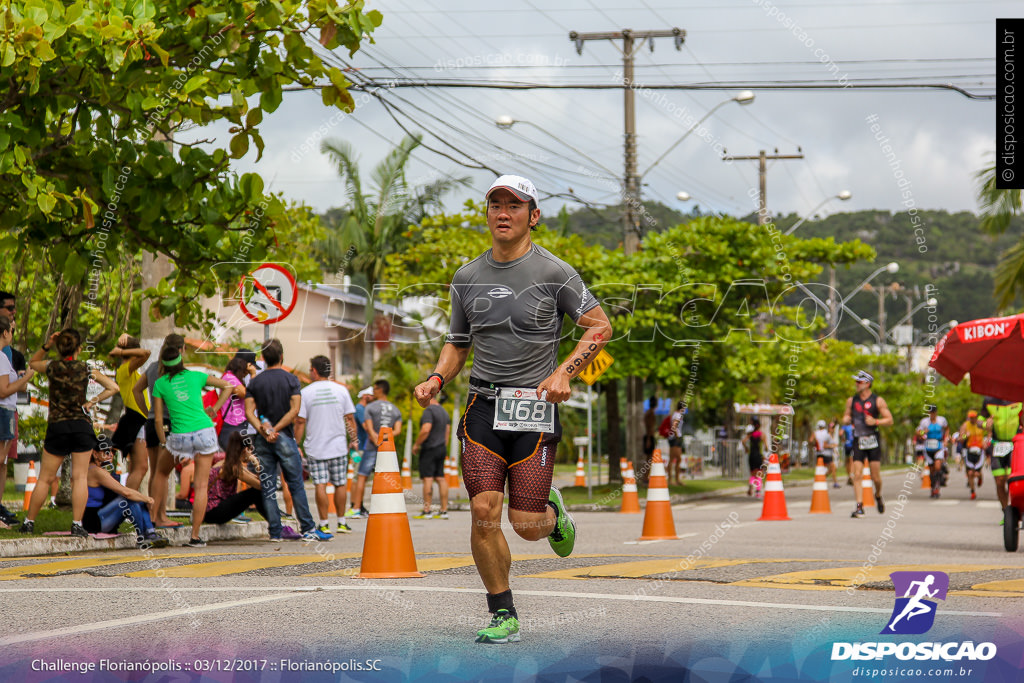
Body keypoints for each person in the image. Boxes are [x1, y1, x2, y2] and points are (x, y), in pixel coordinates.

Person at [412, 174, 612, 644]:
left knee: (527, 527)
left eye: (514, 205)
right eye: (495, 205)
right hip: (483, 404)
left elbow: (599, 326)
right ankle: (503, 613)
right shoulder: (466, 277)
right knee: (484, 510)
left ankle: (551, 511)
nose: (503, 213)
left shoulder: (554, 273)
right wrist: (437, 378)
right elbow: (457, 343)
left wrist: (565, 371)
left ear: (533, 216)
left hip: (536, 409)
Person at [21, 329, 120, 536]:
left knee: (45, 478)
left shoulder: (52, 366)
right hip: (81, 426)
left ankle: (29, 522)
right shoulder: (85, 368)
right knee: (80, 477)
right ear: (79, 348)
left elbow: (32, 363)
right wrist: (91, 401)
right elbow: (113, 387)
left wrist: (47, 345)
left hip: (58, 426)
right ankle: (76, 524)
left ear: (59, 347)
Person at [244, 339, 331, 542]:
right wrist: (277, 429)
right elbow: (294, 410)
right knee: (295, 484)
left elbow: (249, 412)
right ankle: (308, 528)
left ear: (263, 358)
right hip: (285, 436)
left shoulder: (256, 381)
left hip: (263, 438)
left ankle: (275, 531)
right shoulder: (291, 380)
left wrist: (264, 430)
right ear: (282, 356)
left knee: (268, 485)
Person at [151, 346, 233, 547]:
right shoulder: (197, 376)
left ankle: (150, 526)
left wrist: (163, 441)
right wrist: (214, 409)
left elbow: (158, 419)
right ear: (181, 358)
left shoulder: (160, 384)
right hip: (205, 432)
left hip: (179, 437)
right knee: (202, 485)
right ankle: (195, 536)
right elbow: (228, 386)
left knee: (161, 473)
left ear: (163, 363)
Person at [294, 355, 358, 535]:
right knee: (340, 484)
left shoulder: (306, 393)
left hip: (315, 447)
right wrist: (353, 440)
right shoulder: (341, 390)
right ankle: (342, 522)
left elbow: (300, 421)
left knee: (320, 484)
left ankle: (323, 523)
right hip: (338, 446)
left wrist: (295, 443)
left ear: (314, 370)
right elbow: (350, 418)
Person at [132, 333, 185, 517]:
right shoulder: (176, 371)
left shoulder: (154, 367)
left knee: (156, 472)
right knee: (162, 473)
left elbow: (136, 389)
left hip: (152, 423)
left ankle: (158, 515)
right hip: (169, 423)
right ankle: (156, 516)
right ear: (180, 350)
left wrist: (146, 411)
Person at [83, 447, 167, 548]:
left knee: (137, 500)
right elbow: (125, 492)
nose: (110, 455)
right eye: (106, 451)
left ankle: (150, 533)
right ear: (95, 454)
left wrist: (142, 498)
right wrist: (147, 499)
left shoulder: (103, 470)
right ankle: (144, 536)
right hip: (93, 522)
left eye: (113, 452)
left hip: (103, 517)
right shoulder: (95, 471)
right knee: (128, 500)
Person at [348, 379, 402, 519]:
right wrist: (386, 437)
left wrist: (376, 438)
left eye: (375, 389)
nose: (373, 392)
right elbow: (397, 430)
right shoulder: (395, 409)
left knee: (361, 476)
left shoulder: (370, 408)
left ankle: (356, 508)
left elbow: (369, 429)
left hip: (371, 447)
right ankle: (389, 507)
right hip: (388, 450)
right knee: (388, 479)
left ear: (379, 390)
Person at [842, 370, 893, 517]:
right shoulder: (851, 401)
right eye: (856, 382)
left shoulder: (878, 401)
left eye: (859, 382)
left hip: (873, 440)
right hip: (858, 439)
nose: (856, 385)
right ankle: (859, 506)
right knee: (857, 474)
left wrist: (876, 421)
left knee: (875, 477)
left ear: (868, 383)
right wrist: (846, 419)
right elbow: (846, 415)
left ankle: (878, 495)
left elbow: (890, 420)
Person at [0, 316, 34, 527]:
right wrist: (28, 376)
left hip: (6, 410)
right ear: (5, 332)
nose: (12, 335)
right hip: (4, 411)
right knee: (0, 460)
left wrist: (21, 381)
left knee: (2, 463)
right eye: (11, 331)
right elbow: (4, 391)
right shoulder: (2, 358)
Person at [108, 334, 151, 491]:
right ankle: (127, 504)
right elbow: (146, 354)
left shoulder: (129, 372)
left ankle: (127, 504)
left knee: (136, 468)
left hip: (137, 421)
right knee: (141, 468)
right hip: (136, 420)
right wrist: (121, 352)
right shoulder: (126, 370)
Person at [203, 432, 270, 525]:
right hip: (213, 512)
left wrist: (256, 465)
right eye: (250, 449)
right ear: (245, 450)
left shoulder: (229, 463)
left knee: (256, 492)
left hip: (210, 512)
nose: (251, 453)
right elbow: (261, 486)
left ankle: (275, 523)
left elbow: (257, 481)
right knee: (256, 493)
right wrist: (257, 464)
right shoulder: (234, 468)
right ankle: (276, 525)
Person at [981, 396, 1023, 522]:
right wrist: (985, 424)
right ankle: (1007, 513)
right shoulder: (989, 400)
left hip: (1015, 444)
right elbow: (980, 420)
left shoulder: (1019, 397)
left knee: (1014, 480)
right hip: (997, 444)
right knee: (999, 481)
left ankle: (1016, 508)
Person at [412, 392, 452, 519]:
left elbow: (426, 429)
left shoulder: (429, 411)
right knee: (440, 477)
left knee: (428, 478)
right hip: (441, 448)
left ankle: (427, 510)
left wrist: (417, 444)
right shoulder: (444, 411)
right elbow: (447, 431)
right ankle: (444, 510)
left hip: (429, 448)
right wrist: (443, 446)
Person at [218, 351, 258, 451]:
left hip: (239, 425)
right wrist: (253, 375)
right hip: (230, 426)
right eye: (247, 370)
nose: (247, 373)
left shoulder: (237, 379)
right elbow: (247, 394)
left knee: (240, 459)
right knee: (233, 458)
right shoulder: (229, 378)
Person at [917, 405, 950, 499]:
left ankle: (937, 487)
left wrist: (946, 439)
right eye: (930, 412)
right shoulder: (924, 422)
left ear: (936, 412)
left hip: (939, 446)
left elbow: (947, 429)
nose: (931, 414)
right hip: (928, 448)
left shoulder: (942, 420)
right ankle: (932, 487)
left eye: (933, 412)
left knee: (938, 467)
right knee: (931, 470)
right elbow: (918, 433)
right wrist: (924, 432)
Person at [958, 410, 987, 500]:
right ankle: (973, 492)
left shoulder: (981, 424)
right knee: (970, 473)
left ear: (976, 417)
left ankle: (980, 478)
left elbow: (989, 432)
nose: (972, 419)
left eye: (974, 417)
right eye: (971, 417)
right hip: (969, 450)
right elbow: (960, 438)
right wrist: (965, 436)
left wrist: (986, 441)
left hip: (979, 451)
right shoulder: (965, 425)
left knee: (977, 473)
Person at [810, 419, 839, 487]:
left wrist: (816, 442)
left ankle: (821, 479)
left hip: (819, 453)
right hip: (826, 453)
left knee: (822, 469)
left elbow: (811, 440)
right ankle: (833, 482)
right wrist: (833, 446)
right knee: (833, 468)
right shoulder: (827, 433)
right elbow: (825, 445)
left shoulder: (815, 433)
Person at [742, 418, 764, 497]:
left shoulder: (750, 434)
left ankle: (751, 486)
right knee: (759, 474)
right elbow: (767, 446)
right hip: (758, 455)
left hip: (751, 456)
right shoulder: (761, 434)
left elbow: (743, 441)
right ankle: (757, 491)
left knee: (752, 474)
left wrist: (746, 448)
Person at [642, 396, 657, 475]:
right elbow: (649, 427)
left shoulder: (648, 412)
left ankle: (646, 476)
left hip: (648, 436)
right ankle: (645, 476)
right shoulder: (650, 413)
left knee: (649, 458)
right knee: (649, 458)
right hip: (649, 437)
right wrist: (648, 439)